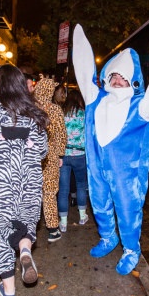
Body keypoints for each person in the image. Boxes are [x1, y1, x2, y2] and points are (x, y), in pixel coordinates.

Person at [72, 24, 149, 275]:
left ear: (132, 80)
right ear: (106, 77)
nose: (117, 80)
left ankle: (131, 250)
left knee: (128, 212)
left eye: (122, 77)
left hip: (126, 174)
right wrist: (80, 42)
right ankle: (107, 238)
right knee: (100, 205)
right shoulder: (95, 98)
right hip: (97, 169)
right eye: (113, 76)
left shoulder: (139, 104)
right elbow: (83, 73)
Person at [0, 64, 49, 296]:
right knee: (25, 224)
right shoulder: (35, 115)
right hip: (28, 184)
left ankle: (10, 291)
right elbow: (44, 151)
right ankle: (25, 250)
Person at [34, 76, 67, 242]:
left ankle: (28, 228)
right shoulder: (54, 110)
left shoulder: (28, 108)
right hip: (50, 156)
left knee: (32, 192)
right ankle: (53, 229)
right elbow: (61, 134)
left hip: (30, 157)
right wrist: (60, 154)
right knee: (49, 193)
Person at [57, 89, 89, 232]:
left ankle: (63, 223)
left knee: (63, 189)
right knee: (81, 185)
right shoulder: (84, 114)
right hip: (80, 155)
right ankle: (82, 216)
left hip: (64, 155)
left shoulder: (61, 114)